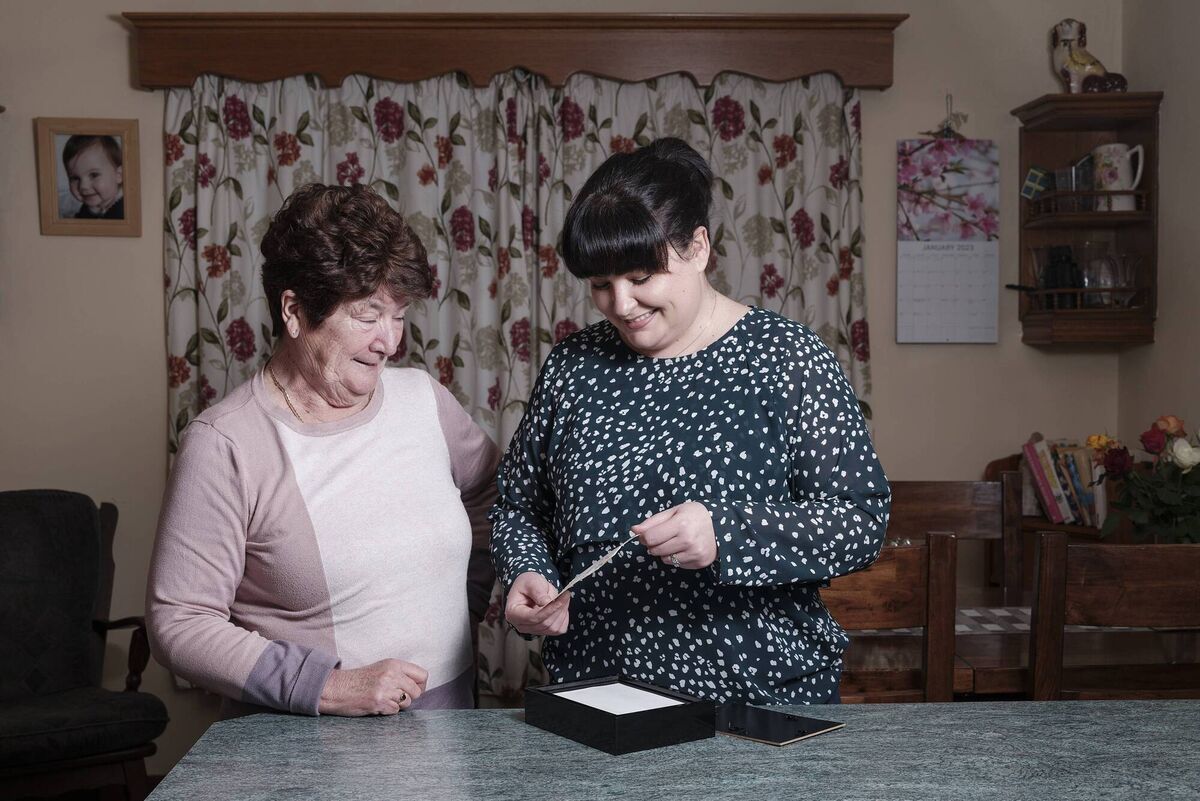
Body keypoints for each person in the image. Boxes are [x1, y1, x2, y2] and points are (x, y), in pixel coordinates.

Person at [490, 138, 890, 705]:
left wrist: (728, 534)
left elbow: (860, 522)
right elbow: (517, 507)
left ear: (698, 247)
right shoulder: (574, 366)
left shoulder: (786, 358)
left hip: (759, 696)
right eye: (601, 285)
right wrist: (529, 571)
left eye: (640, 277)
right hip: (599, 692)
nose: (621, 304)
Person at [148, 184, 498, 716]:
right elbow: (180, 622)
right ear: (294, 310)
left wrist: (464, 600)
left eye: (399, 315)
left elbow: (493, 496)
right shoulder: (226, 444)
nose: (390, 341)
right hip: (305, 753)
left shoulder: (425, 401)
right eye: (367, 315)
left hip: (449, 731)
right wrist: (327, 687)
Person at [61, 135, 124, 219]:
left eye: (94, 175)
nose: (83, 186)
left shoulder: (124, 211)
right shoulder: (89, 208)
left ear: (119, 175)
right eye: (75, 178)